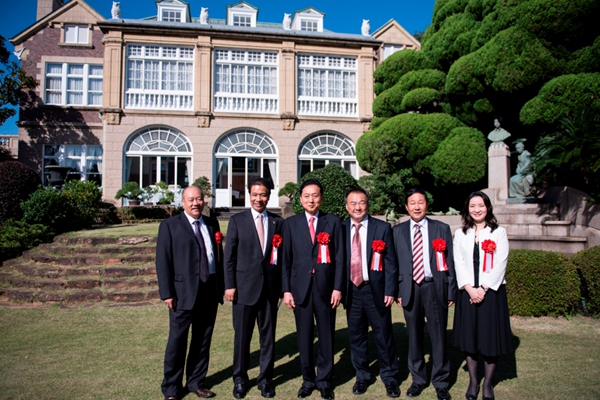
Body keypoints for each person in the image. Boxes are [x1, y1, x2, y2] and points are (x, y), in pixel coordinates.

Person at [156, 185, 224, 400]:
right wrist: (167, 292)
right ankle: (171, 388)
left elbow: (217, 256)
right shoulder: (169, 225)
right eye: (191, 199)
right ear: (183, 202)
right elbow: (163, 261)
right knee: (177, 342)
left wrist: (221, 287)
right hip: (182, 293)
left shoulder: (212, 224)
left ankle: (196, 382)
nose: (196, 203)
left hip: (209, 291)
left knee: (202, 341)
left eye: (199, 199)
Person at [282, 179, 344, 400]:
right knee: (304, 337)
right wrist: (286, 290)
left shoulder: (333, 222)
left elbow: (340, 258)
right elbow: (286, 260)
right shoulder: (291, 223)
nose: (311, 200)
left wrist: (337, 288)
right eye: (307, 196)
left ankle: (325, 381)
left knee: (326, 336)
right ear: (300, 199)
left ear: (322, 198)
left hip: (326, 289)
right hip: (300, 289)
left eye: (315, 195)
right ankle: (308, 380)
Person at [224, 178, 284, 399]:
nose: (259, 199)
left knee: (267, 338)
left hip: (269, 291)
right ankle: (240, 379)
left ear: (269, 196)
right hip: (243, 290)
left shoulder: (278, 222)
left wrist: (282, 288)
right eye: (255, 194)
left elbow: (283, 259)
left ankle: (265, 379)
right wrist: (229, 285)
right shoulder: (237, 221)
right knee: (242, 338)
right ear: (249, 195)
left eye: (263, 194)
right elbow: (229, 257)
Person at [392, 188, 455, 400]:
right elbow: (394, 264)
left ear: (426, 205)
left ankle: (441, 381)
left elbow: (450, 261)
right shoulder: (397, 231)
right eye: (412, 202)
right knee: (414, 337)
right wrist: (397, 291)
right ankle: (418, 379)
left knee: (439, 337)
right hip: (410, 289)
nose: (417, 206)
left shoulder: (441, 228)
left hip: (435, 287)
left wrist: (450, 290)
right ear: (406, 206)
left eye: (420, 202)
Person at [452, 191, 513, 400]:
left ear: (487, 208)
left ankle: (487, 384)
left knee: (490, 339)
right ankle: (473, 382)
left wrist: (483, 289)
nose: (477, 209)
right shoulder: (460, 233)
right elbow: (458, 263)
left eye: (481, 205)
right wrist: (470, 289)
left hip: (491, 293)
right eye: (472, 206)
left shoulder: (499, 233)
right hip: (468, 293)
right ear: (467, 209)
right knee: (470, 338)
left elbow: (500, 263)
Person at [343, 187, 400, 397]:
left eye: (362, 202)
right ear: (347, 206)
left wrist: (390, 289)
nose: (357, 207)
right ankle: (362, 376)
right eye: (353, 203)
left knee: (383, 335)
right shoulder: (341, 228)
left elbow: (391, 262)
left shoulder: (382, 228)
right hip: (352, 291)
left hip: (376, 290)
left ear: (368, 204)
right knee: (356, 336)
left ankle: (390, 377)